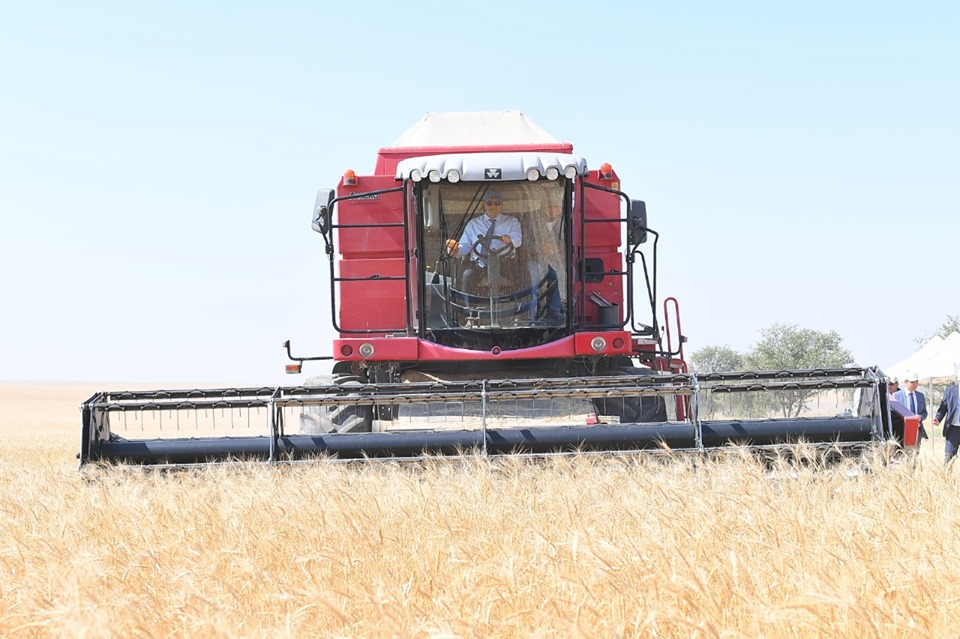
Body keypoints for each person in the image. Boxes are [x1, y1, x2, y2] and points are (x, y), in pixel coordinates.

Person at [446, 190, 522, 292]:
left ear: (502, 205)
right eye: (489, 203)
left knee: (522, 278)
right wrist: (455, 249)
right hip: (481, 265)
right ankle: (469, 306)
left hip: (505, 264)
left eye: (497, 203)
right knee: (467, 277)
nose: (493, 206)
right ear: (483, 205)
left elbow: (518, 242)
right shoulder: (473, 224)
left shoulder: (512, 222)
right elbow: (465, 246)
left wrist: (510, 239)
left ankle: (521, 305)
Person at [524, 195, 566, 323]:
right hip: (536, 259)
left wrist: (556, 248)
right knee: (535, 277)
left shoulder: (565, 223)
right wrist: (540, 248)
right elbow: (525, 242)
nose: (552, 210)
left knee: (561, 274)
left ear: (560, 208)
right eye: (548, 206)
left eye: (555, 206)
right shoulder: (532, 222)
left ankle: (554, 310)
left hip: (556, 260)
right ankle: (534, 312)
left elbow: (570, 242)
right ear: (543, 208)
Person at [893, 371, 928, 446]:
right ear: (906, 382)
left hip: (916, 430)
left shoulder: (920, 396)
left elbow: (924, 412)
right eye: (912, 382)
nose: (915, 385)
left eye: (916, 382)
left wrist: (920, 417)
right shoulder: (896, 396)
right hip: (901, 430)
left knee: (915, 454)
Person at [933, 368, 960, 465]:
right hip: (953, 429)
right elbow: (943, 407)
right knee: (949, 457)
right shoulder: (950, 391)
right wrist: (938, 418)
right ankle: (945, 478)